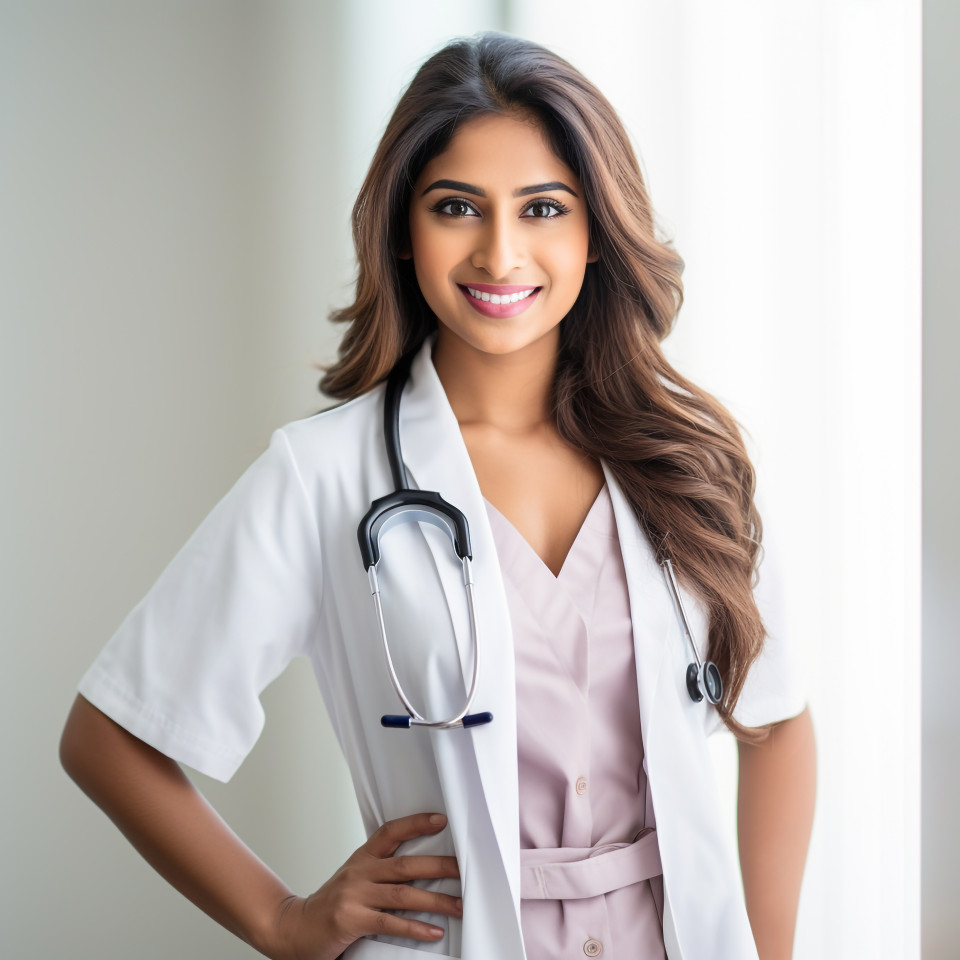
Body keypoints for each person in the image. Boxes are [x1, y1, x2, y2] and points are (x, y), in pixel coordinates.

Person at [60, 31, 816, 960]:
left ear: (594, 232)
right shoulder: (326, 476)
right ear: (404, 232)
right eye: (457, 206)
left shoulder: (687, 462)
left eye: (543, 208)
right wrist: (281, 921)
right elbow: (110, 736)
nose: (501, 253)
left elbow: (775, 721)